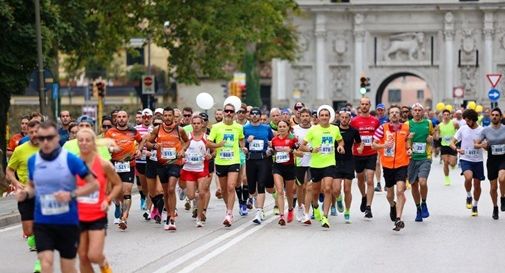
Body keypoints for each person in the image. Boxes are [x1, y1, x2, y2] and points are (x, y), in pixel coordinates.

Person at [21, 121, 98, 273]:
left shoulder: (70, 159)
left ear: (57, 138)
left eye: (49, 137)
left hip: (67, 222)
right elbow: (31, 185)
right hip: (42, 222)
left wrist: (71, 194)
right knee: (46, 264)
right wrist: (25, 193)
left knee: (67, 268)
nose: (45, 142)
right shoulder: (33, 161)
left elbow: (93, 184)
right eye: (41, 138)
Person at [76, 128, 122, 273]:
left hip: (97, 214)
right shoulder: (73, 164)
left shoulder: (103, 164)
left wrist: (107, 199)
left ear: (93, 143)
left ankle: (104, 265)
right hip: (77, 216)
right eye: (80, 140)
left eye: (87, 140)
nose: (84, 143)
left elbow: (118, 184)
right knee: (83, 257)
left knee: (94, 255)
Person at [142, 107, 189, 231]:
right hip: (161, 164)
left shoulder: (179, 130)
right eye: (165, 115)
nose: (167, 118)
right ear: (163, 116)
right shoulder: (158, 129)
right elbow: (148, 143)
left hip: (175, 163)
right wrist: (154, 145)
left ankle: (172, 217)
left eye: (170, 115)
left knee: (172, 188)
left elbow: (187, 142)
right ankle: (168, 214)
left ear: (174, 117)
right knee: (166, 192)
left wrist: (182, 150)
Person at [300, 107, 344, 228]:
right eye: (322, 115)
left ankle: (325, 217)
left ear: (330, 117)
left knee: (328, 188)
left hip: (329, 163)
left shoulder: (335, 129)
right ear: (318, 117)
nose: (324, 117)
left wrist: (340, 146)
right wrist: (311, 149)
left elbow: (340, 141)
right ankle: (315, 206)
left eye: (326, 115)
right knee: (315, 191)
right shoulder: (313, 130)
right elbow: (302, 146)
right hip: (315, 164)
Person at [6, 120, 41, 272]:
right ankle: (32, 236)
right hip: (25, 191)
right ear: (27, 132)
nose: (34, 135)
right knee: (28, 230)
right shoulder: (20, 150)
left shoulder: (49, 148)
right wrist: (16, 183)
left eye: (37, 132)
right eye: (31, 132)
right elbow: (9, 170)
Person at [372, 105, 411, 231]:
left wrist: (409, 149)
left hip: (402, 164)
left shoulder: (406, 127)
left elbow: (408, 143)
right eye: (392, 112)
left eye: (396, 112)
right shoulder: (382, 128)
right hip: (388, 165)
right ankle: (392, 205)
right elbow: (374, 145)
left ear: (400, 115)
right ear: (389, 115)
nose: (394, 114)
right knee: (389, 194)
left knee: (400, 190)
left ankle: (398, 219)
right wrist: (384, 145)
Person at [207, 103, 246, 227]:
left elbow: (241, 139)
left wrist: (243, 147)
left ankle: (229, 213)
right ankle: (228, 207)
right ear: (223, 112)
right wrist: (218, 145)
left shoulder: (238, 127)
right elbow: (208, 143)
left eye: (231, 111)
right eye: (227, 111)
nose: (229, 113)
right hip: (220, 161)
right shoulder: (216, 127)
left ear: (234, 113)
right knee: (224, 190)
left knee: (231, 186)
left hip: (234, 160)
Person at [105, 110, 143, 230]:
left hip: (129, 164)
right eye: (119, 117)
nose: (121, 119)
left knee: (127, 192)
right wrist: (111, 148)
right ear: (116, 119)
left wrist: (139, 150)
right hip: (115, 164)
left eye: (123, 117)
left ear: (127, 118)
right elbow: (107, 145)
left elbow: (141, 141)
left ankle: (124, 217)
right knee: (117, 193)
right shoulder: (110, 132)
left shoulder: (133, 131)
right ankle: (118, 206)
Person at [450, 109, 484, 216]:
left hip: (478, 161)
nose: (466, 122)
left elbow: (486, 145)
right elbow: (452, 142)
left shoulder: (482, 130)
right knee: (468, 178)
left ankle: (475, 205)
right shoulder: (463, 129)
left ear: (474, 120)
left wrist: (480, 145)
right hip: (465, 159)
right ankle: (469, 195)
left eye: (468, 120)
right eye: (465, 120)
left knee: (477, 185)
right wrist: (457, 149)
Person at [243, 107, 274, 224]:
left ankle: (259, 211)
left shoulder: (266, 128)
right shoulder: (245, 128)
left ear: (260, 116)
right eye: (253, 114)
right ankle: (256, 199)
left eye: (257, 114)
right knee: (251, 188)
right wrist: (246, 143)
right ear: (250, 116)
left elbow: (272, 142)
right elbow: (241, 144)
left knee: (261, 184)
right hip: (251, 159)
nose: (255, 116)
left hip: (263, 159)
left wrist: (270, 149)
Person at [350, 97, 380, 218]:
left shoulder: (375, 121)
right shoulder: (354, 121)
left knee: (370, 179)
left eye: (366, 104)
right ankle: (363, 196)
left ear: (370, 105)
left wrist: (377, 146)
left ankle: (368, 207)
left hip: (371, 154)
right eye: (362, 104)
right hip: (358, 155)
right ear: (360, 106)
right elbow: (351, 137)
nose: (364, 106)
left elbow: (378, 137)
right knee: (360, 179)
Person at [180, 115, 211, 227]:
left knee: (202, 192)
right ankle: (195, 197)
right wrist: (182, 155)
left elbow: (214, 151)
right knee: (191, 195)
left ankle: (199, 218)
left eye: (199, 123)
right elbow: (180, 149)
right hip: (189, 169)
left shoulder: (207, 138)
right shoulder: (187, 137)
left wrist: (210, 155)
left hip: (202, 169)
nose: (196, 125)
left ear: (202, 124)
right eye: (194, 123)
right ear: (191, 125)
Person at [475, 108, 505, 220]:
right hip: (492, 160)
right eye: (493, 115)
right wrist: (482, 145)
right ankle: (495, 207)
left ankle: (503, 197)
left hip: (503, 158)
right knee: (493, 187)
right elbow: (476, 144)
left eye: (497, 115)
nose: (494, 116)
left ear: (500, 117)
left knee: (502, 179)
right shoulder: (485, 130)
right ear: (490, 117)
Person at [407, 103, 434, 222]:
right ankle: (418, 208)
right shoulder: (407, 124)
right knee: (413, 184)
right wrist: (408, 139)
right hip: (411, 158)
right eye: (415, 110)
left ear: (423, 112)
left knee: (422, 182)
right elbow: (402, 140)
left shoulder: (428, 123)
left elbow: (433, 135)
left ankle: (424, 203)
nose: (417, 112)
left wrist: (432, 138)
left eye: (419, 110)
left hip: (425, 157)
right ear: (412, 112)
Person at [334, 110, 363, 223]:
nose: (344, 119)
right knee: (336, 189)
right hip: (336, 160)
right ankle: (338, 199)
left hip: (349, 161)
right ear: (339, 118)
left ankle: (347, 210)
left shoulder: (353, 131)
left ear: (349, 119)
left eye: (346, 117)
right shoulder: (335, 129)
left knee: (347, 189)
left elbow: (359, 142)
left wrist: (360, 148)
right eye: (342, 117)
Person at [271, 120, 299, 225]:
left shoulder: (293, 139)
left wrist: (291, 151)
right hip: (277, 167)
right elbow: (273, 151)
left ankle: (290, 209)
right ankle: (282, 216)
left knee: (289, 192)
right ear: (277, 128)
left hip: (290, 167)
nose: (282, 128)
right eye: (280, 126)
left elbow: (300, 153)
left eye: (284, 126)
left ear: (288, 128)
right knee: (279, 190)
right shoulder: (274, 140)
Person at [292, 108, 312, 223]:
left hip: (312, 161)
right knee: (300, 186)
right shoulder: (294, 130)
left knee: (308, 186)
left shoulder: (314, 129)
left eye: (307, 116)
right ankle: (300, 207)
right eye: (303, 116)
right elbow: (291, 143)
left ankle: (306, 211)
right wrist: (295, 151)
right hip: (299, 161)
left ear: (310, 117)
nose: (305, 118)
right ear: (299, 117)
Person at [135, 109, 153, 213]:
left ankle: (149, 209)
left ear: (152, 117)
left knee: (151, 186)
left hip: (151, 161)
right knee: (144, 187)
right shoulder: (135, 129)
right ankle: (146, 197)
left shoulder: (154, 129)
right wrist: (138, 151)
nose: (146, 119)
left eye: (149, 117)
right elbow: (133, 143)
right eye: (144, 117)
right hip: (140, 161)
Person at [435, 109, 459, 185]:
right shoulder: (440, 125)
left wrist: (457, 140)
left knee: (452, 163)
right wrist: (437, 135)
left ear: (450, 115)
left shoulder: (454, 123)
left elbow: (459, 132)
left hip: (452, 145)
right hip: (444, 145)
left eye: (447, 115)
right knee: (445, 162)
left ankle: (454, 162)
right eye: (444, 115)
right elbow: (437, 136)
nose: (446, 116)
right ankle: (447, 178)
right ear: (442, 116)